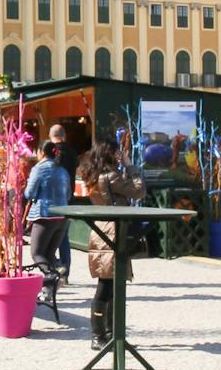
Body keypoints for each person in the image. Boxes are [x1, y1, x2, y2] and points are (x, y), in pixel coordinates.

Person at [77, 139, 146, 348]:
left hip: (101, 229)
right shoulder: (111, 175)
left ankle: (108, 334)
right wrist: (130, 166)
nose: (119, 155)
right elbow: (139, 190)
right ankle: (100, 335)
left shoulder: (92, 174)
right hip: (114, 231)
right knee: (108, 285)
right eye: (117, 152)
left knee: (109, 283)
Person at [23, 140, 72, 279]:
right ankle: (53, 281)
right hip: (62, 216)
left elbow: (29, 193)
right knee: (49, 254)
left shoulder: (38, 169)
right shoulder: (63, 170)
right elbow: (68, 194)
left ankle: (54, 275)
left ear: (41, 152)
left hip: (44, 215)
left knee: (37, 253)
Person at [49, 124, 78, 278]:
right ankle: (65, 272)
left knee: (49, 237)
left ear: (50, 136)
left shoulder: (52, 153)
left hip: (52, 201)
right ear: (64, 135)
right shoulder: (72, 152)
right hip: (68, 199)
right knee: (63, 237)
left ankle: (52, 269)